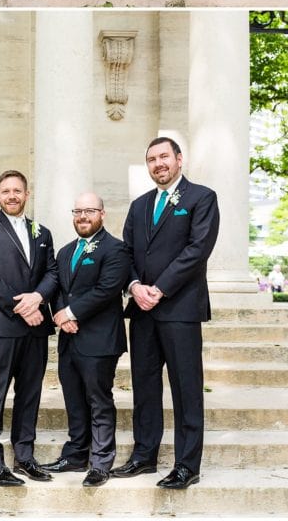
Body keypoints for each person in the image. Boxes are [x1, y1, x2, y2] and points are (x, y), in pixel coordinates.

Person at [113, 136, 219, 490]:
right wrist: (133, 286)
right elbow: (125, 253)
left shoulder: (201, 198)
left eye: (164, 157)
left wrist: (159, 288)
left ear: (178, 159)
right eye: (151, 159)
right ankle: (144, 456)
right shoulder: (139, 205)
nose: (158, 164)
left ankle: (188, 465)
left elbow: (197, 249)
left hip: (180, 308)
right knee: (144, 387)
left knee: (186, 388)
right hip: (142, 310)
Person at [0, 169, 58, 487]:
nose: (11, 195)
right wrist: (24, 308)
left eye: (17, 190)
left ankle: (25, 457)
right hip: (2, 326)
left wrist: (38, 297)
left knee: (30, 393)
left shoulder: (42, 232)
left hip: (35, 330)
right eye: (5, 191)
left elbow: (52, 272)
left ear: (26, 194)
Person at [44, 192, 130, 488]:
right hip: (69, 339)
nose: (82, 216)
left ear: (102, 214)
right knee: (74, 399)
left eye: (89, 211)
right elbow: (56, 287)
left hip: (100, 339)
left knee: (98, 400)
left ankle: (101, 461)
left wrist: (69, 312)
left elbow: (106, 290)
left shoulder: (116, 250)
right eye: (78, 211)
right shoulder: (66, 252)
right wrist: (58, 313)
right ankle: (76, 454)